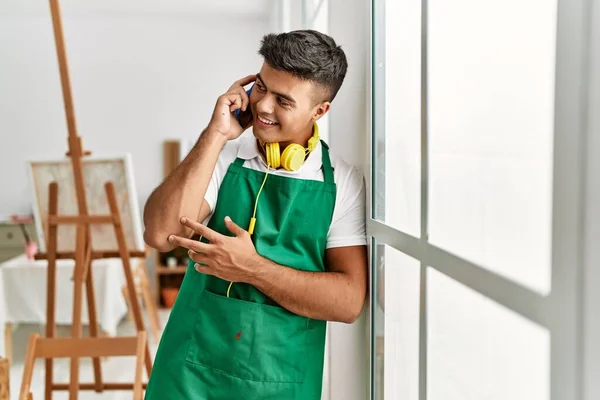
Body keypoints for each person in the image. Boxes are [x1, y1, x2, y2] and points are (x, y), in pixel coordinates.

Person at [142, 29, 368, 400]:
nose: (263, 106)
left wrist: (251, 268)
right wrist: (216, 135)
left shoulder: (342, 183)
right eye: (260, 87)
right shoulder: (222, 157)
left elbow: (347, 302)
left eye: (283, 100)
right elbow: (160, 235)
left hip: (281, 382)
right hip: (188, 378)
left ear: (320, 110)